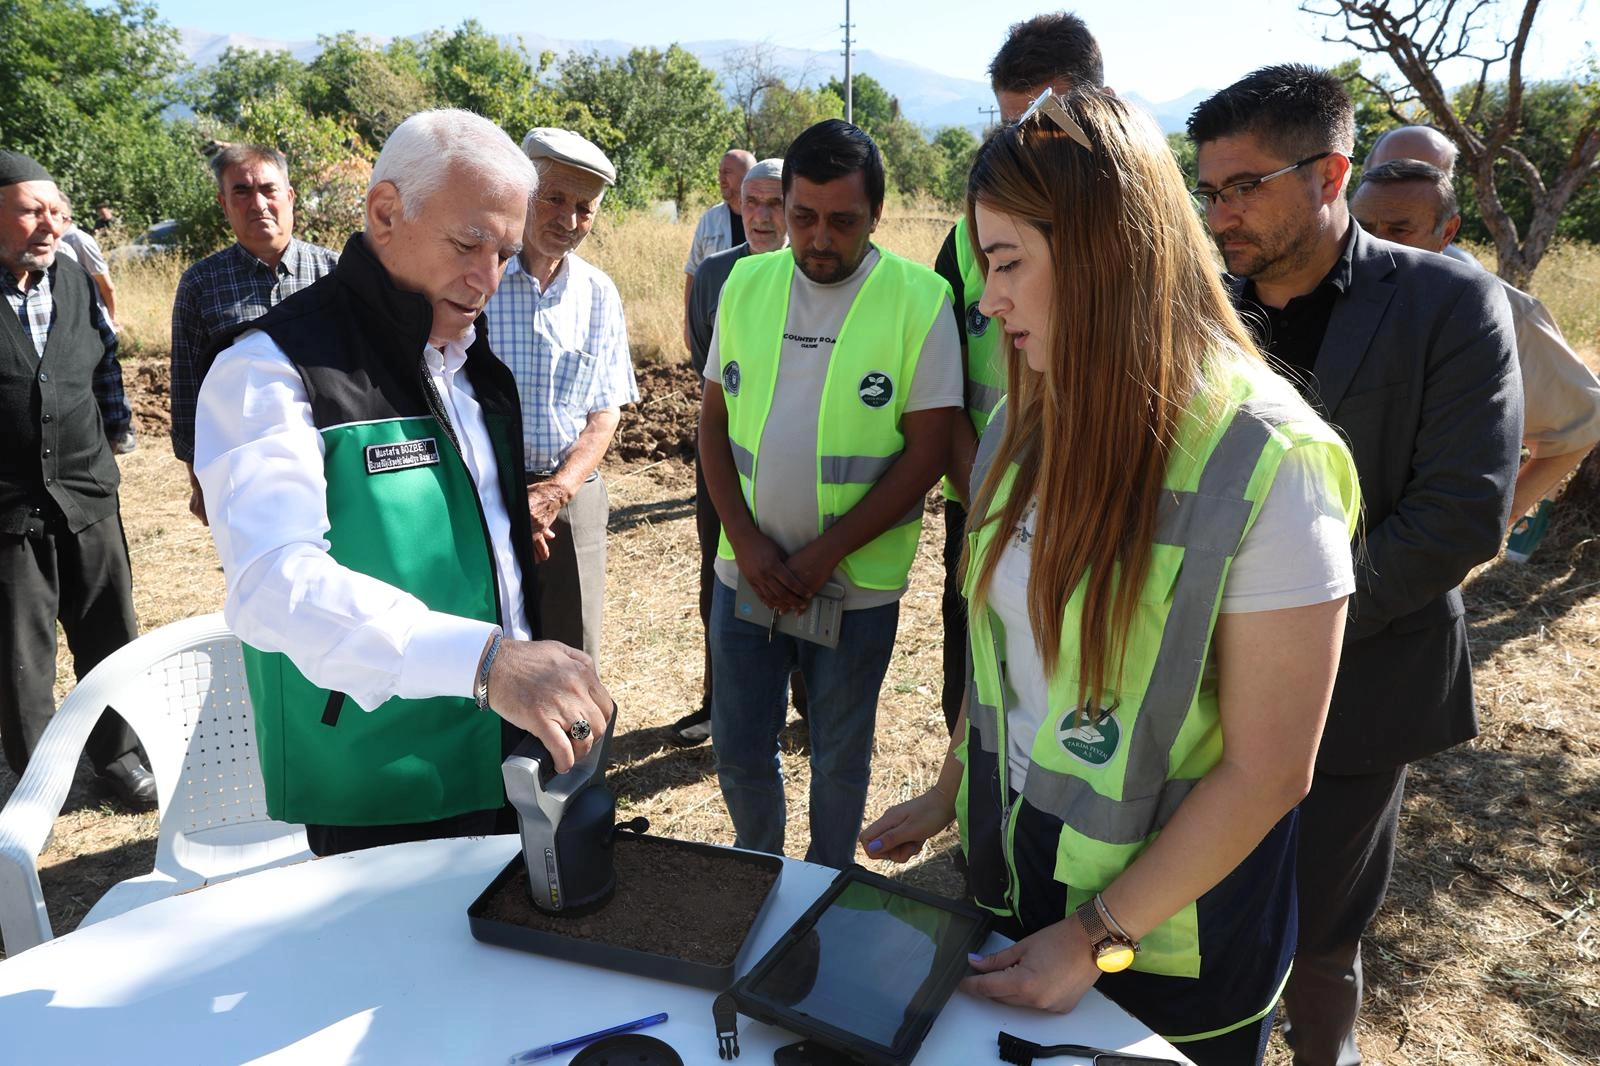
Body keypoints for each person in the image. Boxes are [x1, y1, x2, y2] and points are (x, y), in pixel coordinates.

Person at [861, 89, 1361, 1066]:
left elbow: (1269, 769)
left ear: (1104, 252)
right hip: (1013, 891)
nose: (987, 301)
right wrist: (951, 787)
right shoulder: (1019, 420)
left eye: (1007, 263)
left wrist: (1097, 935)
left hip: (1170, 953)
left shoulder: (1270, 461)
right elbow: (1004, 656)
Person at [1188, 66, 1523, 1066]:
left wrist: (1290, 624)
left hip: (1360, 684)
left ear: (1330, 171)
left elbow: (1460, 512)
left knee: (1322, 931)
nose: (1219, 212)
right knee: (1202, 914)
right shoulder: (1200, 307)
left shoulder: (1448, 301)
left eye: (1242, 186)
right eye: (1208, 190)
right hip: (1191, 682)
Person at [194, 110, 613, 858]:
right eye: (469, 243)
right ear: (385, 212)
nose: (488, 279)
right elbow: (273, 583)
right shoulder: (270, 369)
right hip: (382, 779)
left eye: (505, 253)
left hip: (504, 754)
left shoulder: (471, 364)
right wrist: (486, 662)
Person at [700, 120, 961, 869]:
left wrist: (824, 555)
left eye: (842, 221)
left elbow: (928, 453)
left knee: (840, 753)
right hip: (743, 576)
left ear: (876, 215)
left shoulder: (920, 298)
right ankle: (761, 868)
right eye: (802, 216)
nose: (818, 238)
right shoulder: (747, 281)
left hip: (853, 586)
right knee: (740, 743)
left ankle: (825, 884)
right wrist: (747, 545)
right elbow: (713, 426)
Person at [930, 11, 1106, 734]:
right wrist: (989, 494)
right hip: (984, 501)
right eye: (1008, 128)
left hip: (1096, 507)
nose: (1023, 148)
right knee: (976, 688)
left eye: (1041, 122)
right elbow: (937, 388)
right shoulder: (967, 239)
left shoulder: (1148, 238)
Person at [0, 150, 155, 809]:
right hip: (8, 511)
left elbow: (104, 361)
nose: (49, 225)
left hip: (87, 492)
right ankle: (39, 782)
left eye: (57, 212)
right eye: (31, 211)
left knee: (110, 634)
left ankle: (119, 758)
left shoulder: (73, 274)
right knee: (18, 656)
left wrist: (116, 430)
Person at [1351, 159, 1600, 533]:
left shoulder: (1499, 312)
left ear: (1446, 231)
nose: (1375, 244)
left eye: (1399, 230)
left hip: (1406, 566)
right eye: (1363, 228)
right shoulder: (1313, 290)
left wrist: (1491, 521)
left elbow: (1578, 425)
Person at [484, 128, 637, 668]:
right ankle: (495, 754)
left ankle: (574, 755)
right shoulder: (477, 276)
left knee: (575, 650)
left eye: (584, 208)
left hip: (570, 495)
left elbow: (605, 412)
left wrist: (557, 491)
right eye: (554, 198)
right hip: (479, 491)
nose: (568, 220)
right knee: (486, 643)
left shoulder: (598, 292)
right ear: (519, 191)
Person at [670, 157, 792, 746]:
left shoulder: (820, 273)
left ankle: (806, 709)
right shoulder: (717, 274)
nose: (763, 217)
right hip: (723, 453)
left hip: (796, 463)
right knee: (717, 574)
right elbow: (703, 354)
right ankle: (719, 704)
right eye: (753, 203)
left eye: (775, 203)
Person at [170, 144, 340, 525]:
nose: (258, 203)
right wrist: (199, 482)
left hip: (335, 460)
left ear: (290, 196)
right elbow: (188, 388)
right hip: (245, 465)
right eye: (242, 192)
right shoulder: (201, 283)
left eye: (269, 189)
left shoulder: (336, 273)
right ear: (223, 203)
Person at [1364, 125, 1479, 267]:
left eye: (1424, 178)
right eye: (1385, 173)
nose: (1401, 190)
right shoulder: (1332, 251)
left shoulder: (1464, 275)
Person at [682, 149, 755, 351]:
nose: (721, 178)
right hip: (717, 323)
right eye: (720, 172)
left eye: (728, 172)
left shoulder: (771, 219)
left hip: (759, 318)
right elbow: (693, 272)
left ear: (747, 175)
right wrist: (688, 323)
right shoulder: (710, 220)